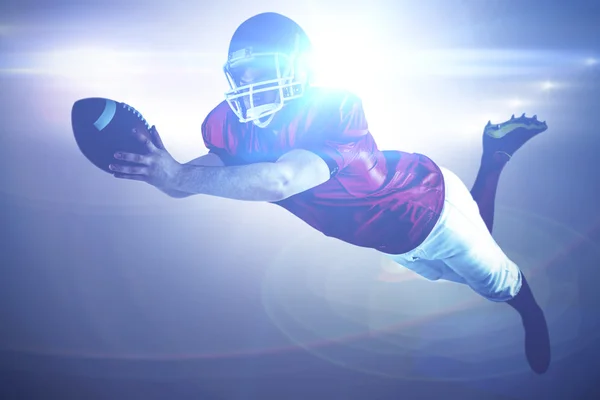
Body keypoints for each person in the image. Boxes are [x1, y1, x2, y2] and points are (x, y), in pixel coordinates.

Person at [109, 12, 551, 374]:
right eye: (240, 73)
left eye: (259, 69)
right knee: (461, 264)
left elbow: (281, 180)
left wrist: (180, 178)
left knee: (497, 284)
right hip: (393, 239)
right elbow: (188, 181)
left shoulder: (335, 109)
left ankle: (530, 310)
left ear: (299, 69)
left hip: (429, 202)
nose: (248, 83)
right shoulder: (227, 126)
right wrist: (162, 171)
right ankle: (495, 154)